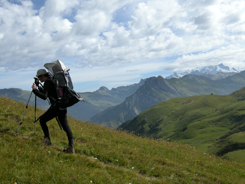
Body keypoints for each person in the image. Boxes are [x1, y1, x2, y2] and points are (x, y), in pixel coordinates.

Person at [32, 69, 75, 153]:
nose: (39, 79)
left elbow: (44, 96)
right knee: (66, 128)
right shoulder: (53, 81)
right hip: (62, 106)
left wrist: (34, 90)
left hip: (55, 108)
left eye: (40, 77)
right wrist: (39, 87)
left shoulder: (48, 82)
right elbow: (48, 93)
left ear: (44, 75)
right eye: (38, 77)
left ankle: (47, 140)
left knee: (42, 120)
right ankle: (71, 148)